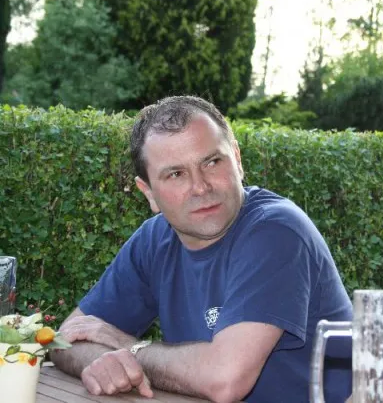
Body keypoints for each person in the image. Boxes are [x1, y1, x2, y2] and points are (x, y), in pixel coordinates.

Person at [50, 96, 353, 403]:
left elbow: (225, 380)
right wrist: (104, 363)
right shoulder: (154, 241)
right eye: (176, 174)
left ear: (237, 159)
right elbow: (66, 338)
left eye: (212, 162)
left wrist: (127, 348)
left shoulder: (277, 232)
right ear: (149, 193)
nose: (200, 187)